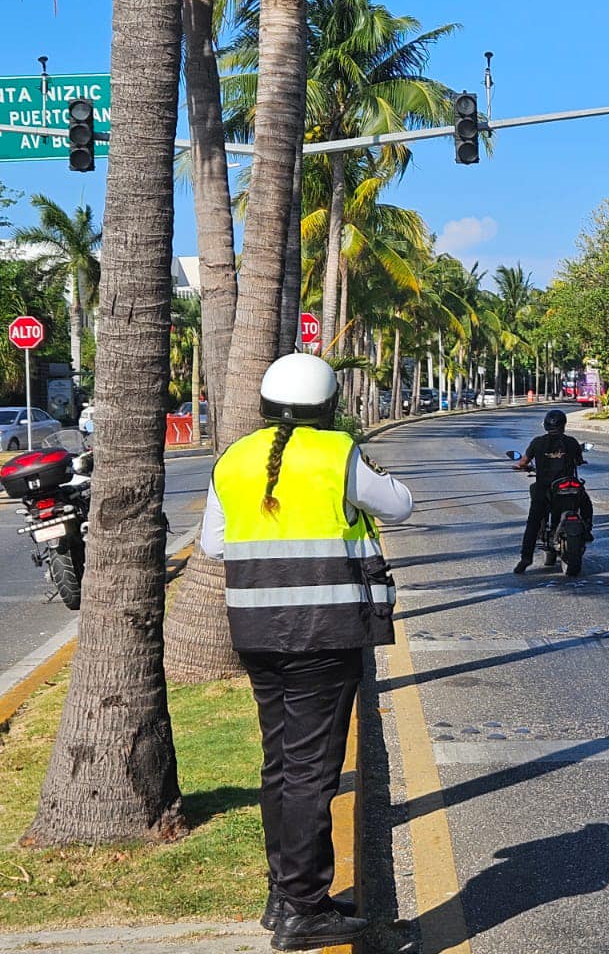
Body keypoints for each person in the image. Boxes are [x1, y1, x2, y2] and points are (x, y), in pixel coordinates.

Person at [199, 352, 413, 952]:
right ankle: (302, 909)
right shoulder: (336, 453)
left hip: (257, 634)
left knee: (281, 764)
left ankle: (284, 894)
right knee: (313, 772)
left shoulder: (234, 458)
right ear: (328, 405)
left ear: (266, 404)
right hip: (323, 633)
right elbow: (399, 504)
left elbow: (215, 545)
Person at [511, 408, 592, 573]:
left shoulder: (537, 442)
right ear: (564, 425)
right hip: (568, 486)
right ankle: (588, 530)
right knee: (586, 503)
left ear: (546, 425)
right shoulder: (571, 442)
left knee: (533, 522)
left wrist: (521, 466)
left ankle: (525, 559)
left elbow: (523, 462)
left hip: (545, 489)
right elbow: (579, 460)